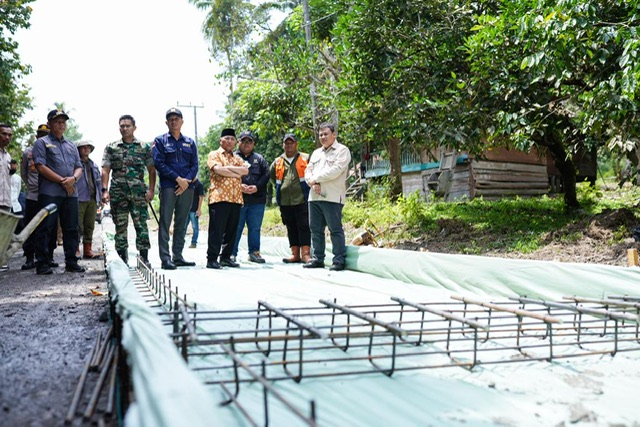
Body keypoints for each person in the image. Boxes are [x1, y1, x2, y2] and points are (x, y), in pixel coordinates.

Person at [32, 109, 85, 275]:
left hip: (70, 193)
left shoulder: (71, 145)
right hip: (50, 192)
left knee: (71, 228)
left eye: (63, 122)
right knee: (46, 228)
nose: (61, 124)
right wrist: (63, 181)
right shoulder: (41, 143)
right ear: (49, 124)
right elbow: (40, 166)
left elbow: (79, 167)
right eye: (57, 121)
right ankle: (42, 262)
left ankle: (71, 261)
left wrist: (73, 180)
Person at [102, 115, 156, 266]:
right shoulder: (111, 147)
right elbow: (105, 170)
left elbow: (151, 170)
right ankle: (122, 259)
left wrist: (151, 190)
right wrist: (104, 190)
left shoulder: (144, 147)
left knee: (141, 226)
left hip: (138, 193)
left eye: (127, 126)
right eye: (122, 126)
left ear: (134, 128)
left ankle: (144, 257)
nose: (124, 128)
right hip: (118, 193)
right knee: (120, 226)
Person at [152, 108, 198, 270]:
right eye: (170, 119)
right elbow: (159, 163)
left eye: (176, 118)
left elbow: (195, 165)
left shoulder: (190, 142)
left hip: (187, 187)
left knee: (182, 222)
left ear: (182, 121)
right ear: (166, 122)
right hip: (169, 186)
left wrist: (186, 181)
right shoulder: (159, 141)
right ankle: (165, 258)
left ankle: (177, 256)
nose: (173, 121)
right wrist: (177, 179)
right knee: (165, 221)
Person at [303, 123, 351, 271]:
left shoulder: (342, 151)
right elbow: (307, 171)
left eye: (326, 134)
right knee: (315, 229)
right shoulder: (316, 153)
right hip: (314, 197)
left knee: (335, 229)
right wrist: (312, 182)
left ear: (334, 135)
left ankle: (338, 260)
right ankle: (318, 258)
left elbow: (336, 170)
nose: (323, 137)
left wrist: (315, 179)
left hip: (332, 197)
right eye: (321, 134)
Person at [205, 128, 248, 269]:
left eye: (232, 139)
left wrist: (228, 169)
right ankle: (212, 258)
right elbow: (218, 170)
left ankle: (225, 257)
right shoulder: (214, 154)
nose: (229, 141)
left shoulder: (237, 158)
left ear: (235, 142)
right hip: (219, 197)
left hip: (236, 198)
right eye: (227, 138)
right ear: (221, 140)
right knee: (216, 230)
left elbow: (245, 170)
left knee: (231, 231)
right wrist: (236, 172)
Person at [270, 133, 312, 264]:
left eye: (291, 143)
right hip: (285, 201)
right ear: (283, 145)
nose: (289, 145)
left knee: (304, 226)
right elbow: (272, 177)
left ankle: (305, 254)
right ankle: (295, 254)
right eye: (286, 143)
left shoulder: (306, 158)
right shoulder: (278, 161)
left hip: (302, 199)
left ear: (296, 144)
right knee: (290, 227)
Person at [21, 124, 58, 271]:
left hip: (50, 195)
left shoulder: (54, 151)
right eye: (40, 134)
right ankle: (30, 258)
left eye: (46, 134)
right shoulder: (28, 153)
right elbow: (24, 173)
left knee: (51, 227)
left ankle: (49, 256)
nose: (43, 137)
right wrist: (32, 186)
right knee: (31, 227)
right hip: (33, 195)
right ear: (36, 136)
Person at [232, 131, 270, 263]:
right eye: (243, 141)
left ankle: (254, 252)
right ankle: (231, 253)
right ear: (239, 142)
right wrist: (239, 186)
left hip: (257, 200)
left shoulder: (259, 159)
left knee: (255, 228)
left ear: (253, 143)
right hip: (237, 199)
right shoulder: (233, 157)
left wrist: (257, 187)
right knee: (235, 227)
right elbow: (228, 174)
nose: (246, 144)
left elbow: (267, 175)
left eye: (249, 141)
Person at [76, 141, 103, 259]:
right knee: (77, 225)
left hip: (92, 198)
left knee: (89, 225)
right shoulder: (75, 164)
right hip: (79, 198)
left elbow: (98, 182)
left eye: (88, 147)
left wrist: (101, 197)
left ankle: (87, 250)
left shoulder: (93, 165)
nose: (86, 149)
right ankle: (75, 249)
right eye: (83, 147)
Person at [0, 124, 14, 272]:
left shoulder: (7, 156)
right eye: (4, 134)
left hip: (5, 199)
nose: (7, 137)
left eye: (9, 135)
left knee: (4, 233)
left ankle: (1, 261)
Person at [185, 178, 204, 248]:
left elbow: (201, 197)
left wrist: (199, 209)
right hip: (187, 209)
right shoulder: (188, 183)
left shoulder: (199, 184)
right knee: (183, 226)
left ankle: (194, 242)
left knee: (195, 227)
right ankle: (180, 241)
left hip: (194, 209)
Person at [9, 159, 24, 232]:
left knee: (19, 227)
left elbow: (18, 190)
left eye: (15, 165)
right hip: (6, 207)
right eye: (12, 165)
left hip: (16, 207)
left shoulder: (18, 178)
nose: (14, 167)